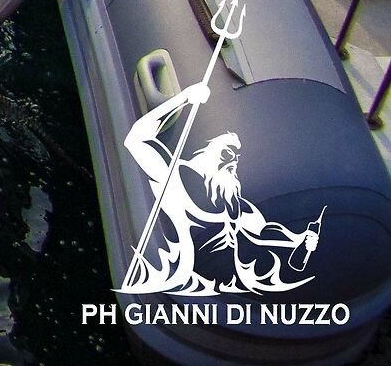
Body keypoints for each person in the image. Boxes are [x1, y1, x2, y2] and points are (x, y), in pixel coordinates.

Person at [121, 79, 322, 295]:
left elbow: (264, 232)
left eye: (237, 156)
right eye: (227, 152)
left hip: (225, 294)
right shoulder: (174, 176)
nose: (233, 161)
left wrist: (297, 239)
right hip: (179, 288)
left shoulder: (235, 204)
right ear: (205, 151)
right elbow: (136, 140)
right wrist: (185, 98)